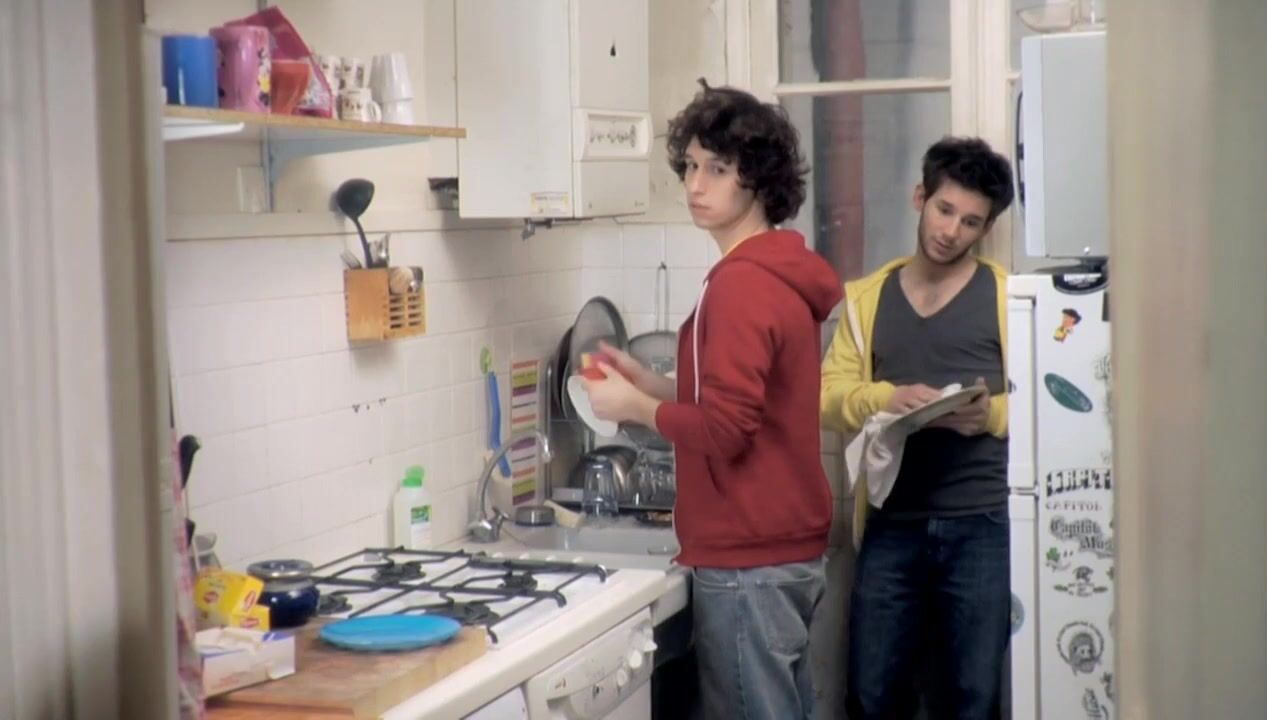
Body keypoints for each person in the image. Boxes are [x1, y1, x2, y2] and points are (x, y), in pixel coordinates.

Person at [580, 80, 841, 720]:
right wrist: (650, 384)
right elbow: (747, 402)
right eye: (691, 167)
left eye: (717, 170)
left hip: (749, 558)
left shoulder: (741, 284)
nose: (696, 185)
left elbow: (726, 431)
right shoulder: (774, 270)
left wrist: (631, 410)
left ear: (758, 180)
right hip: (781, 548)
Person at [819, 136, 1016, 719]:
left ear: (986, 229)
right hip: (891, 523)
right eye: (944, 209)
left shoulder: (1006, 297)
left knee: (973, 698)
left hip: (982, 523)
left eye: (970, 221)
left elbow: (1043, 404)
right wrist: (888, 398)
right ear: (919, 197)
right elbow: (826, 398)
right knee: (872, 695)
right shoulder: (867, 298)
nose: (951, 231)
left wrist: (989, 414)